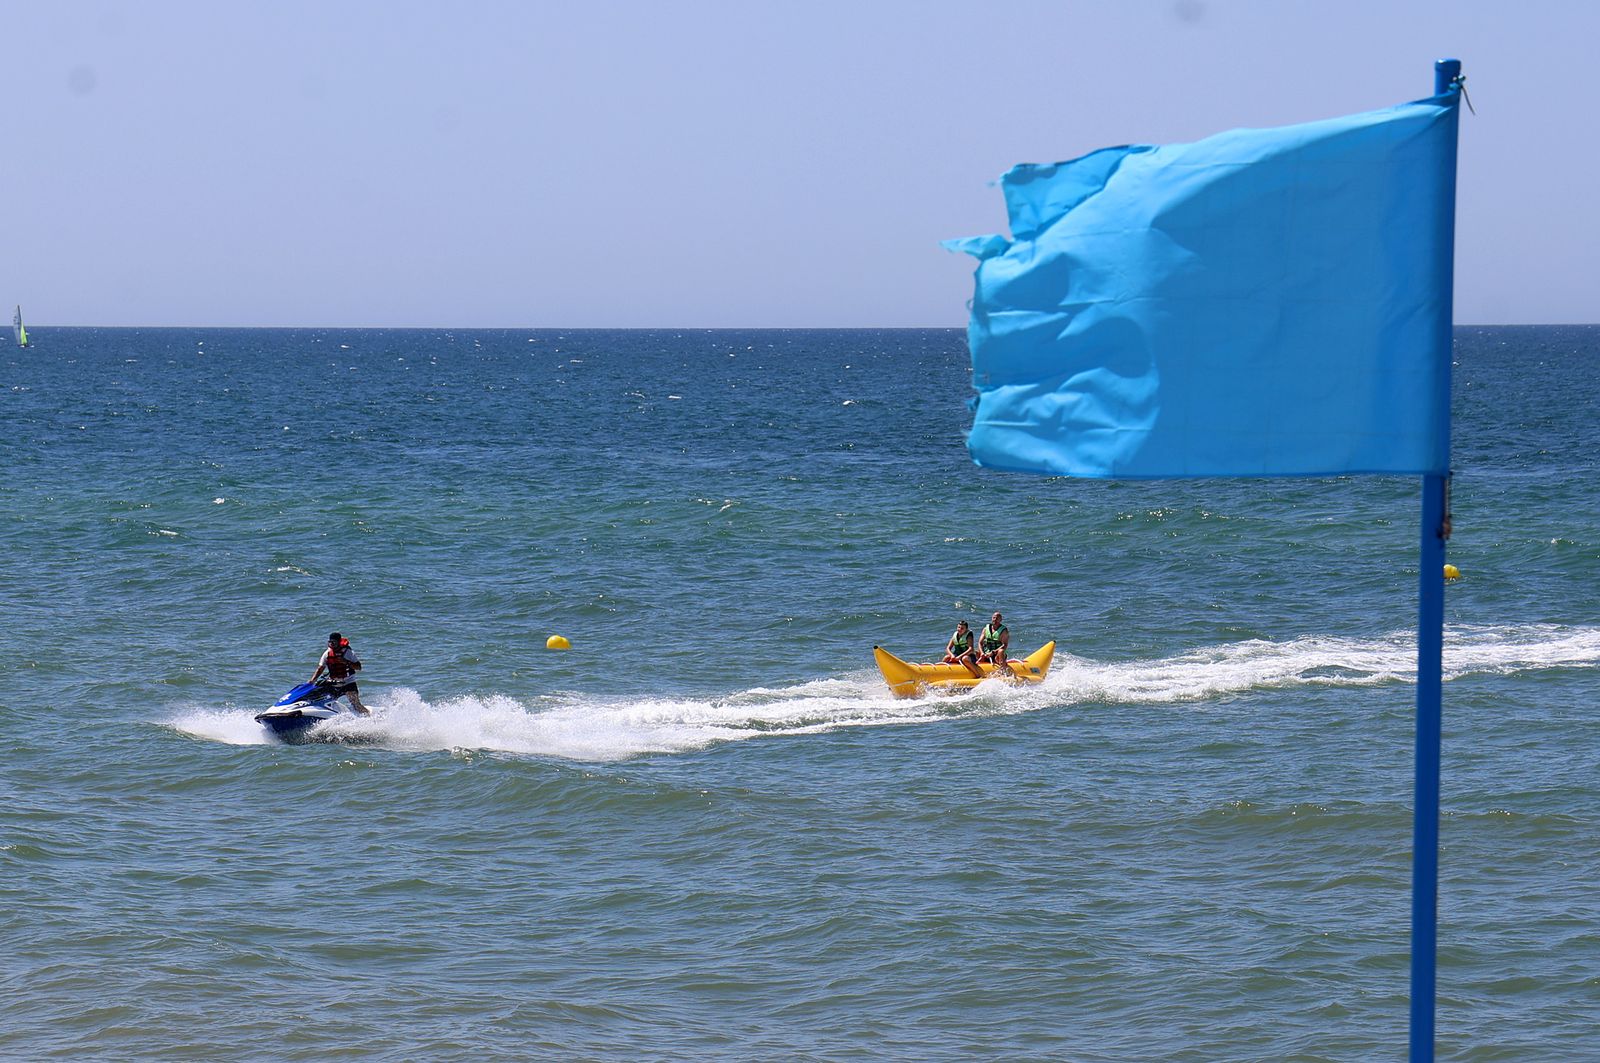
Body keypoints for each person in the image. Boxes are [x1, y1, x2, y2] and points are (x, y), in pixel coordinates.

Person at [312, 631, 368, 715]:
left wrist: (346, 662)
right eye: (330, 642)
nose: (332, 645)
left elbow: (359, 667)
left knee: (356, 704)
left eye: (334, 643)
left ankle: (369, 717)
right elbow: (320, 668)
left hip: (348, 683)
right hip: (334, 683)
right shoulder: (327, 653)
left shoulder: (348, 652)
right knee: (320, 699)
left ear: (339, 642)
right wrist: (312, 680)